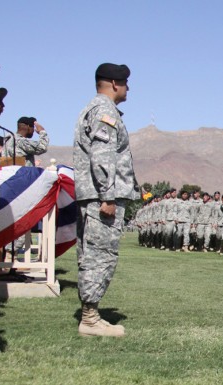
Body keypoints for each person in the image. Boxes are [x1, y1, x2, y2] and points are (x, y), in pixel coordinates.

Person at [73, 63, 140, 337]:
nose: (128, 88)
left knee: (94, 255)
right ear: (114, 83)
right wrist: (107, 196)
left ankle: (90, 314)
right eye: (125, 82)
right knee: (100, 256)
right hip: (101, 198)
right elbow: (102, 157)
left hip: (94, 196)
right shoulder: (104, 111)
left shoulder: (96, 109)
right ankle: (90, 318)